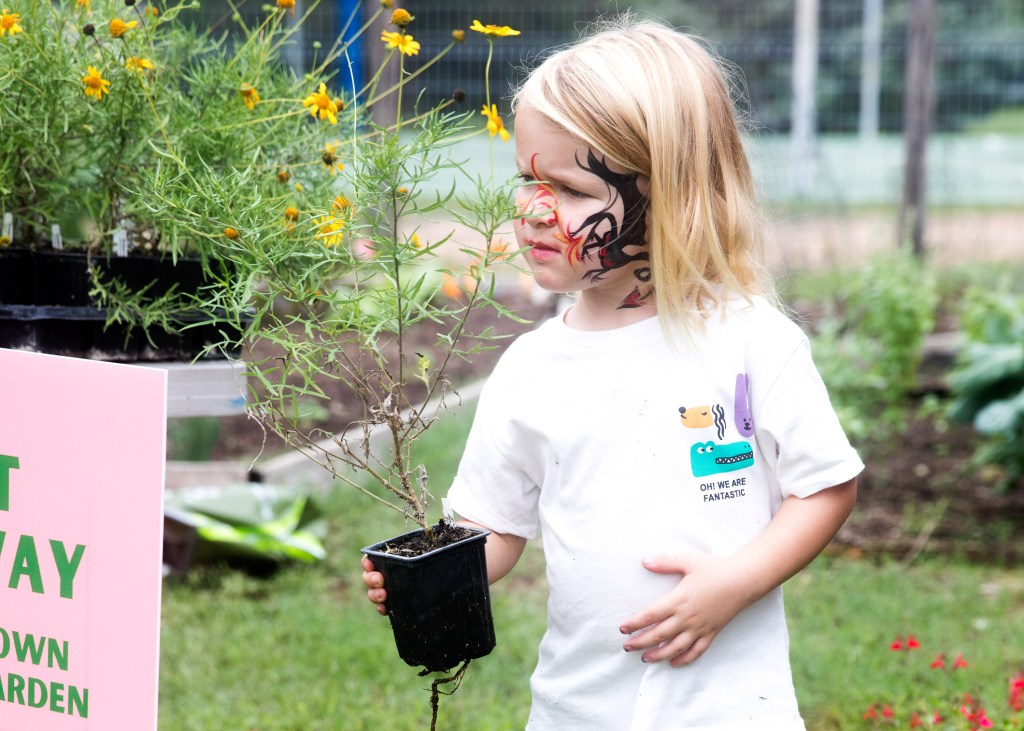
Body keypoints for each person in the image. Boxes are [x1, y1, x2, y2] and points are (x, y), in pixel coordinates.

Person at [362, 16, 862, 730]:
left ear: (671, 194)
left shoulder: (751, 342)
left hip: (728, 709)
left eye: (568, 188)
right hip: (577, 708)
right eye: (527, 179)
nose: (533, 210)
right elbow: (492, 524)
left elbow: (826, 486)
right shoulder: (532, 368)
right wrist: (428, 570)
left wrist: (732, 584)